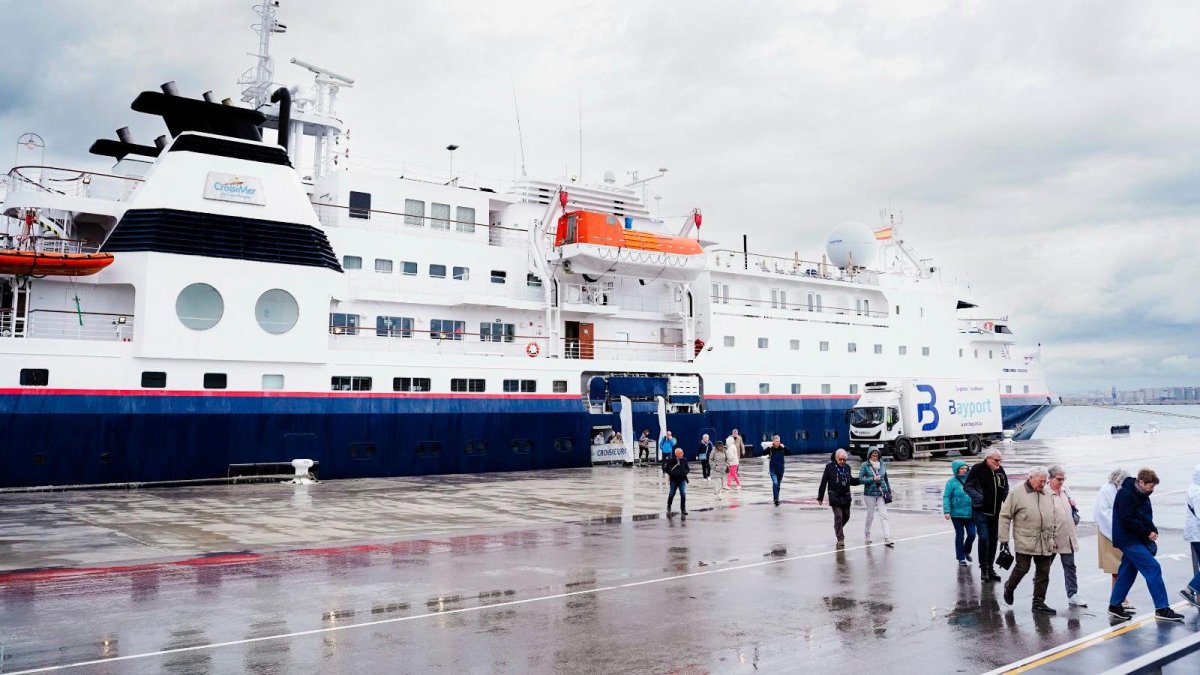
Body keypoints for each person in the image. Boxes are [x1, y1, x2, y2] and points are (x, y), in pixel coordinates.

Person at [1108, 468, 1185, 622]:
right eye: (1151, 486)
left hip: (1135, 538)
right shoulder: (1126, 494)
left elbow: (1145, 517)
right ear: (1141, 482)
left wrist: (1152, 530)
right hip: (1128, 539)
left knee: (1128, 571)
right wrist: (1146, 532)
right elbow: (1127, 519)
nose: (1153, 490)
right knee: (1153, 568)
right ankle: (1162, 609)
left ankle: (1115, 606)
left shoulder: (1142, 494)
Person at [998, 466, 1058, 615]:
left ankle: (1038, 603)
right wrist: (1003, 539)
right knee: (1022, 568)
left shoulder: (1047, 493)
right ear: (1030, 478)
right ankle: (1009, 587)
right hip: (1025, 539)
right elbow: (1005, 515)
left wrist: (1053, 536)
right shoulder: (1017, 492)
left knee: (1044, 572)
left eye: (1045, 482)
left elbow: (1052, 516)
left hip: (1045, 540)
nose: (1043, 484)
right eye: (1040, 481)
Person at [965, 448, 1009, 583]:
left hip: (996, 512)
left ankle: (990, 568)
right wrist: (980, 498)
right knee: (983, 538)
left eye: (1000, 460)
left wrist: (1007, 503)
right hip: (980, 511)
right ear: (988, 459)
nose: (999, 462)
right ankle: (983, 568)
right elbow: (967, 487)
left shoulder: (1000, 470)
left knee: (993, 539)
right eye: (996, 460)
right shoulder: (978, 469)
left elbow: (1005, 487)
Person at [1095, 468, 1134, 611]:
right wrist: (1119, 521)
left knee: (1120, 567)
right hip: (1109, 532)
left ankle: (1119, 597)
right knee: (1116, 567)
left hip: (1120, 531)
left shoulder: (1119, 490)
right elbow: (1102, 512)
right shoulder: (1106, 490)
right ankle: (1120, 598)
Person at [1048, 465, 1085, 607]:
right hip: (1052, 537)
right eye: (1059, 479)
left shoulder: (1065, 490)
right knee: (1044, 568)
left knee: (1070, 566)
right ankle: (1038, 594)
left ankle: (1073, 594)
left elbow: (1072, 507)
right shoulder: (1045, 493)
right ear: (1050, 478)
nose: (1062, 481)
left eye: (1064, 478)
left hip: (1067, 536)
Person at [818, 449, 859, 545]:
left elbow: (851, 480)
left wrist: (861, 480)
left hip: (846, 496)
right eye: (840, 459)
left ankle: (837, 527)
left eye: (844, 460)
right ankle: (840, 538)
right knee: (839, 516)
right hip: (834, 496)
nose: (842, 462)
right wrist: (820, 497)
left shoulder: (847, 467)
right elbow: (823, 482)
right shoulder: (829, 467)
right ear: (836, 458)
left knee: (847, 516)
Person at [858, 448, 895, 546]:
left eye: (877, 455)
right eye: (873, 455)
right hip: (869, 494)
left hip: (881, 493)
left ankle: (887, 537)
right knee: (870, 515)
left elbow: (885, 479)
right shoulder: (865, 465)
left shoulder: (882, 464)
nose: (875, 457)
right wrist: (873, 479)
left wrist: (889, 491)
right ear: (869, 455)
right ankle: (867, 533)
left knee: (884, 515)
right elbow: (861, 479)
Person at [943, 460, 976, 566]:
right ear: (956, 470)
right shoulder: (951, 482)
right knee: (960, 535)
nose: (964, 471)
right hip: (956, 514)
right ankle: (961, 558)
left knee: (972, 534)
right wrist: (946, 511)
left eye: (965, 469)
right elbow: (946, 497)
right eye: (961, 469)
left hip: (970, 513)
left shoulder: (971, 480)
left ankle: (966, 551)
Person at [1181, 463, 1200, 609]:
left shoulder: (1193, 488)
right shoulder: (1198, 492)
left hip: (1195, 534)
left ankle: (1194, 592)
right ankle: (1190, 590)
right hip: (1197, 534)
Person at [762, 435, 787, 506]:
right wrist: (769, 447)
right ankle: (776, 499)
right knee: (775, 482)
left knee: (778, 486)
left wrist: (784, 447)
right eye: (776, 441)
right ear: (773, 442)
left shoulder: (781, 448)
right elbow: (763, 453)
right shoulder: (771, 449)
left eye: (779, 441)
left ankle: (776, 497)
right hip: (773, 469)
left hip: (781, 469)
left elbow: (789, 453)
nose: (778, 442)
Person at [664, 447, 689, 517]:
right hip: (674, 480)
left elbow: (688, 469)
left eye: (682, 452)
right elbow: (665, 468)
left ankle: (683, 510)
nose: (682, 454)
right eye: (680, 453)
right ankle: (669, 506)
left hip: (682, 480)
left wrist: (684, 473)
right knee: (672, 494)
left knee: (683, 494)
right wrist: (672, 473)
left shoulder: (684, 460)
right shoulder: (671, 460)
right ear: (676, 454)